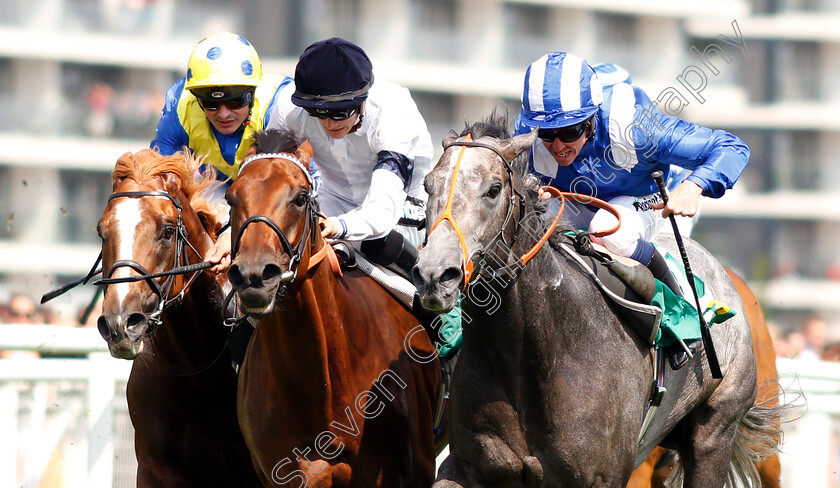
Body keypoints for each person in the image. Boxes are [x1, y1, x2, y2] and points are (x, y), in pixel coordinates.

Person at [514, 52, 750, 369]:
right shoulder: (527, 128)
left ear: (592, 119)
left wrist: (694, 186)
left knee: (608, 232)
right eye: (547, 135)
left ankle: (688, 308)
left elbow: (732, 146)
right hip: (580, 198)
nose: (557, 146)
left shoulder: (638, 129)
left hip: (649, 198)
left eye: (570, 132)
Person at [267, 37, 433, 268]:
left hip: (404, 203)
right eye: (318, 113)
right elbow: (267, 174)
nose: (328, 123)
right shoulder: (289, 108)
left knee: (377, 245)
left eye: (339, 112)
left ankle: (437, 302)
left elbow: (382, 209)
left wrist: (339, 227)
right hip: (333, 199)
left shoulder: (394, 110)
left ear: (363, 98)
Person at [150, 31, 294, 273]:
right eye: (211, 103)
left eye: (236, 101)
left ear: (253, 93)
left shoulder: (280, 108)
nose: (224, 114)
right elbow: (156, 178)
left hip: (276, 189)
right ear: (196, 98)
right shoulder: (180, 105)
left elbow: (294, 190)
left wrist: (234, 230)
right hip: (219, 183)